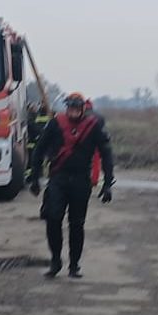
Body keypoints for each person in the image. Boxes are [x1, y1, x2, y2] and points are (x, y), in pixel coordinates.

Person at [26, 92, 114, 278]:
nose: (73, 111)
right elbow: (39, 150)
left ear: (82, 109)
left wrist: (107, 184)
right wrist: (34, 178)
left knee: (77, 224)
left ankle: (74, 265)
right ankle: (55, 260)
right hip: (58, 178)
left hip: (81, 180)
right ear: (67, 108)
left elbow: (106, 153)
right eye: (71, 108)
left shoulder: (93, 126)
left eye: (77, 108)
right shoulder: (56, 123)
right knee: (53, 218)